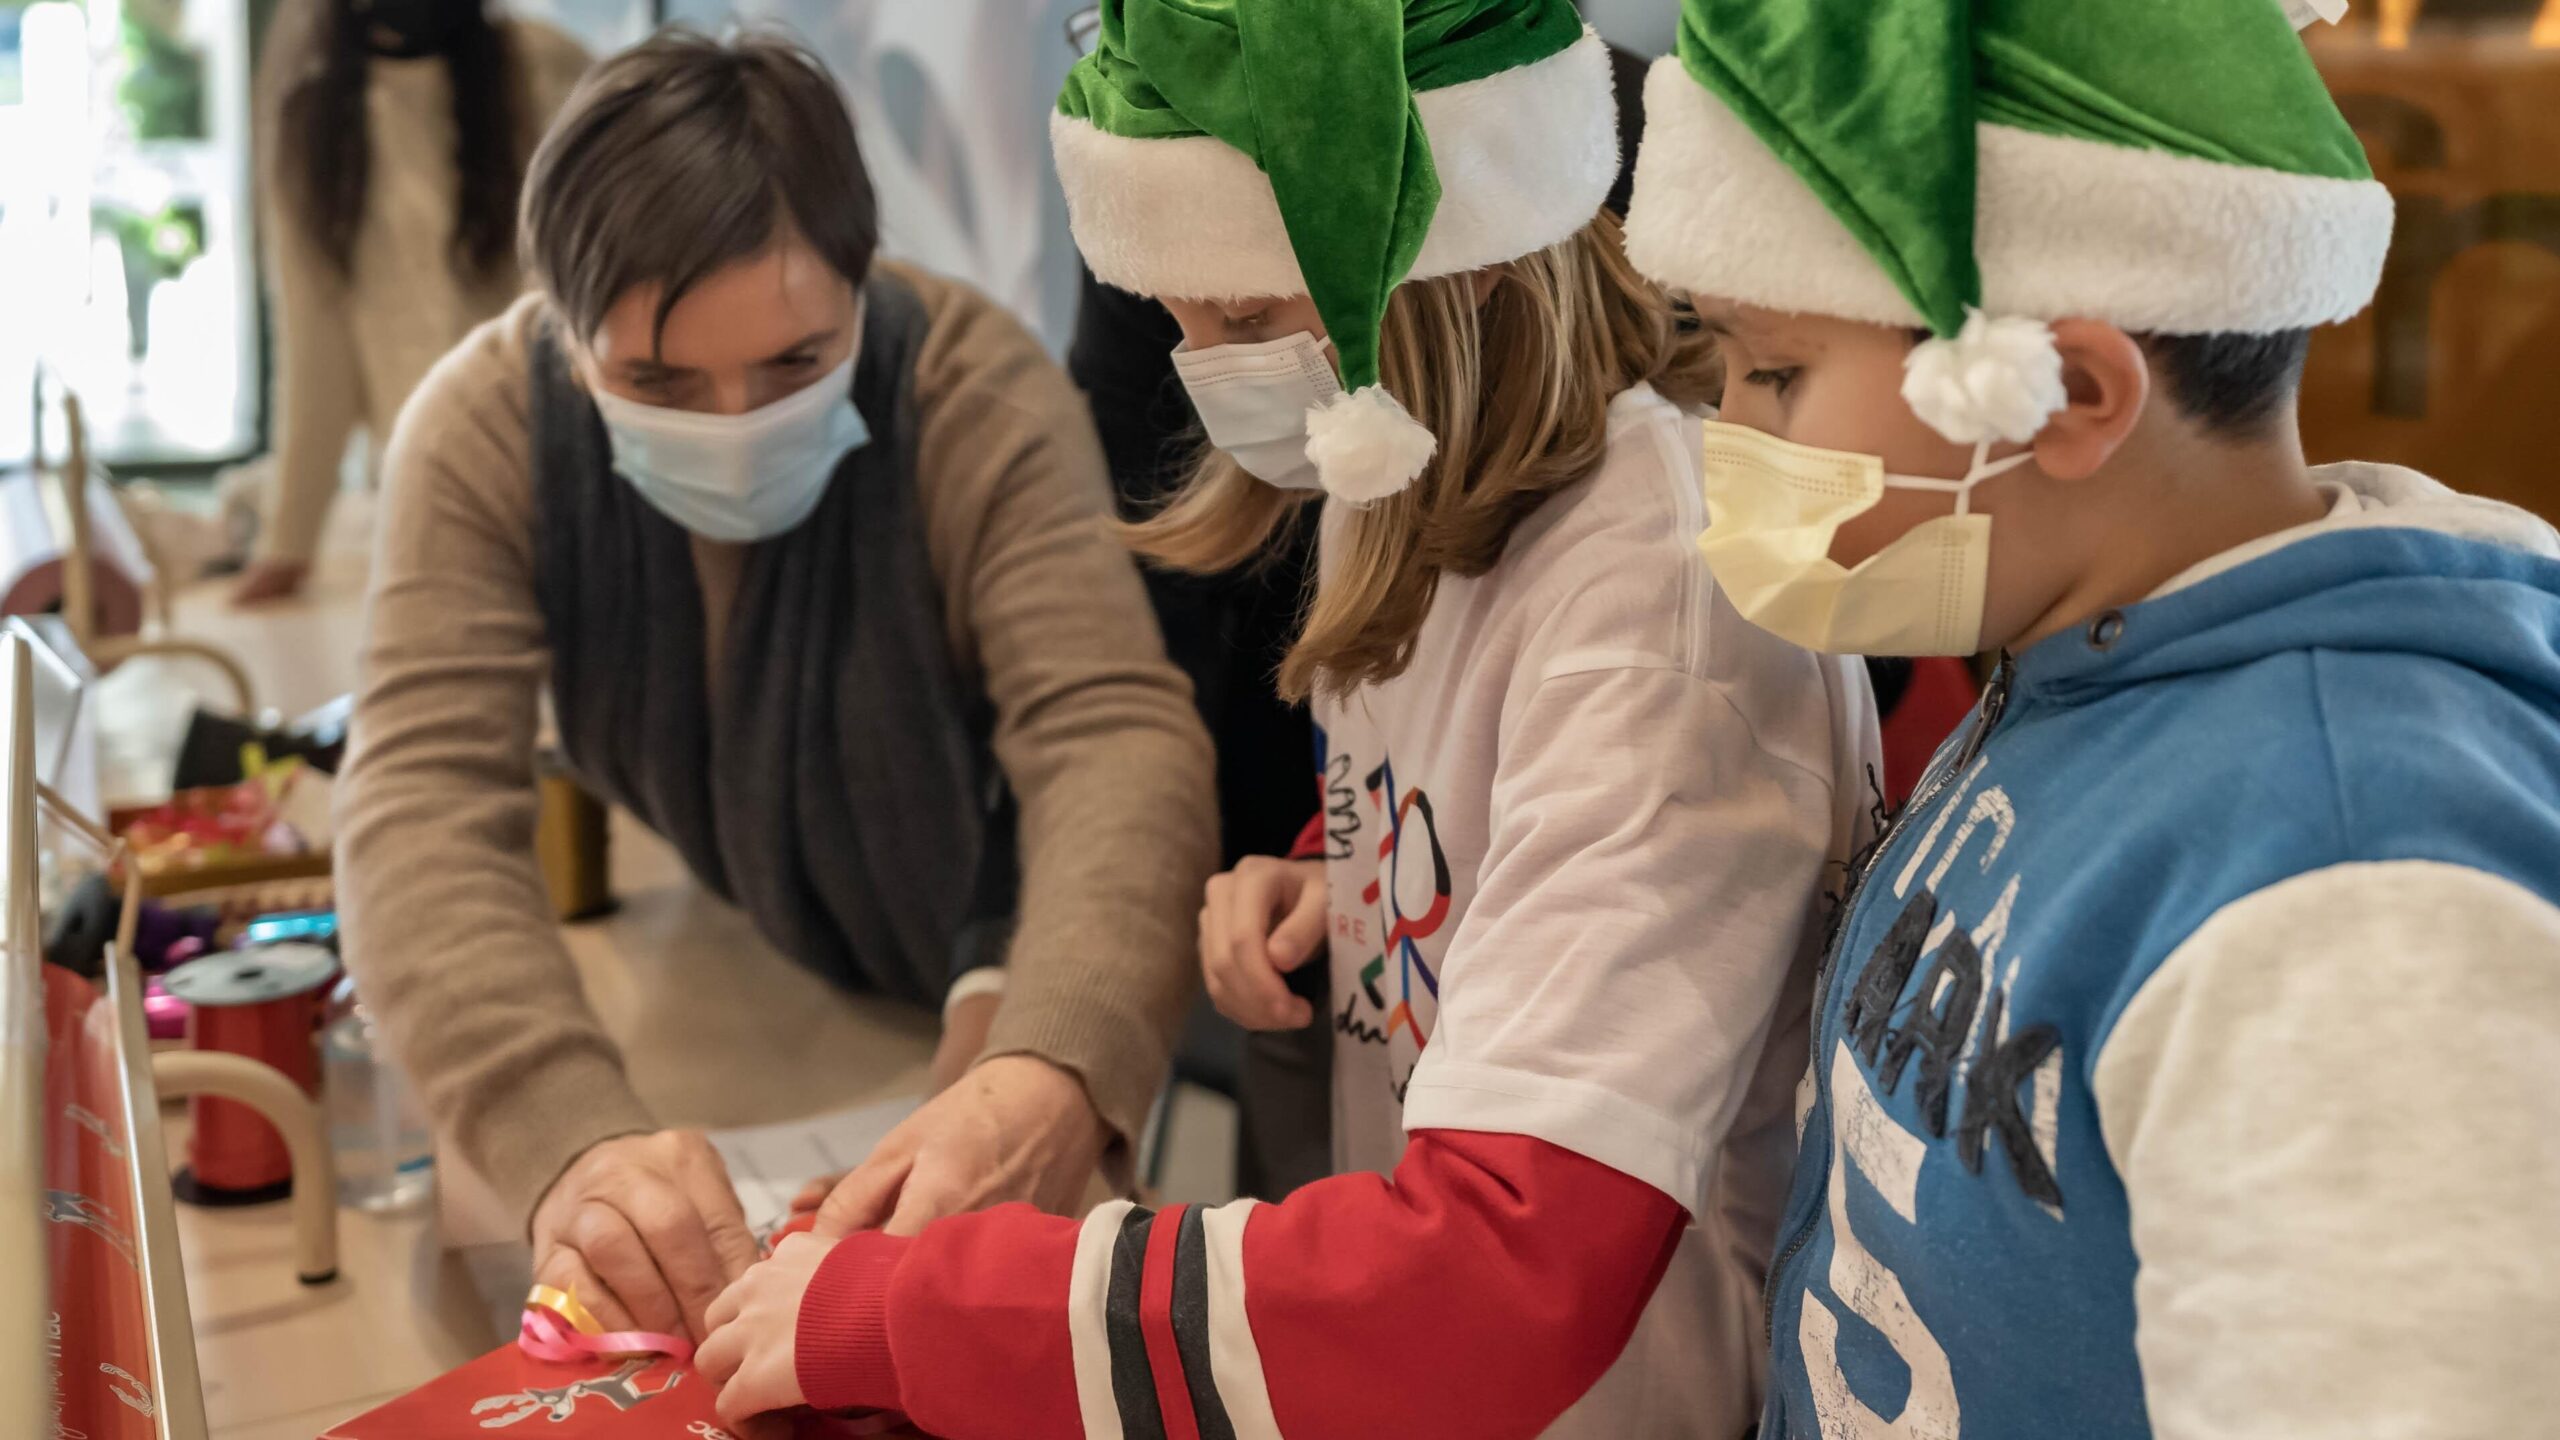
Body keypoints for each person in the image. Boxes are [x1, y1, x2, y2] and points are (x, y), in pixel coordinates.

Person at [697, 4, 1876, 1436]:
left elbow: (1497, 1275)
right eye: (1181, 316)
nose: (1208, 365)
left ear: (1472, 266)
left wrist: (923, 1311)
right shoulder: (1397, 481)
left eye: (1251, 317)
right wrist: (1351, 873)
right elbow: (1522, 815)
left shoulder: (1655, 628)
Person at [1620, 0, 2560, 1433]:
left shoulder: (2352, 885)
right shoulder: (2076, 660)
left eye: (1777, 372)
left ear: (2068, 393)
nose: (1730, 438)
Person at [333, 30, 1216, 1351]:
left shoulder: (976, 390)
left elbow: (1108, 736)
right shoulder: (482, 432)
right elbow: (419, 796)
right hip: (797, 991)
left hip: (1012, 947)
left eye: (799, 366)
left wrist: (1053, 1063)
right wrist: (568, 1140)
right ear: (566, 340)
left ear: (863, 287)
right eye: (658, 383)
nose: (736, 423)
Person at [235, 0, 589, 603]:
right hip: (423, 484)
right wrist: (288, 545)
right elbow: (315, 355)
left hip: (562, 464)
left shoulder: (545, 65)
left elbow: (584, 283)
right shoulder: (310, 110)